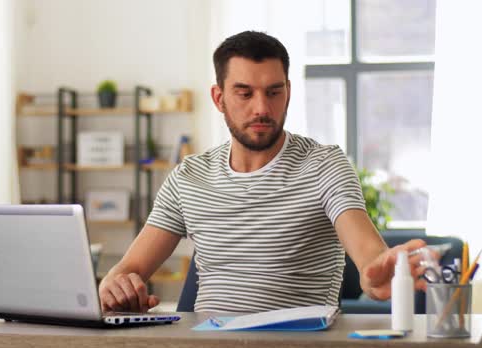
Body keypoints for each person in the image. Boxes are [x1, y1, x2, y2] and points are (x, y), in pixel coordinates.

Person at [98, 31, 429, 313]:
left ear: (288, 92)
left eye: (274, 92)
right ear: (219, 98)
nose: (261, 108)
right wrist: (114, 286)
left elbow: (369, 255)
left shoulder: (324, 166)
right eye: (244, 93)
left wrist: (376, 276)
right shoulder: (189, 177)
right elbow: (130, 269)